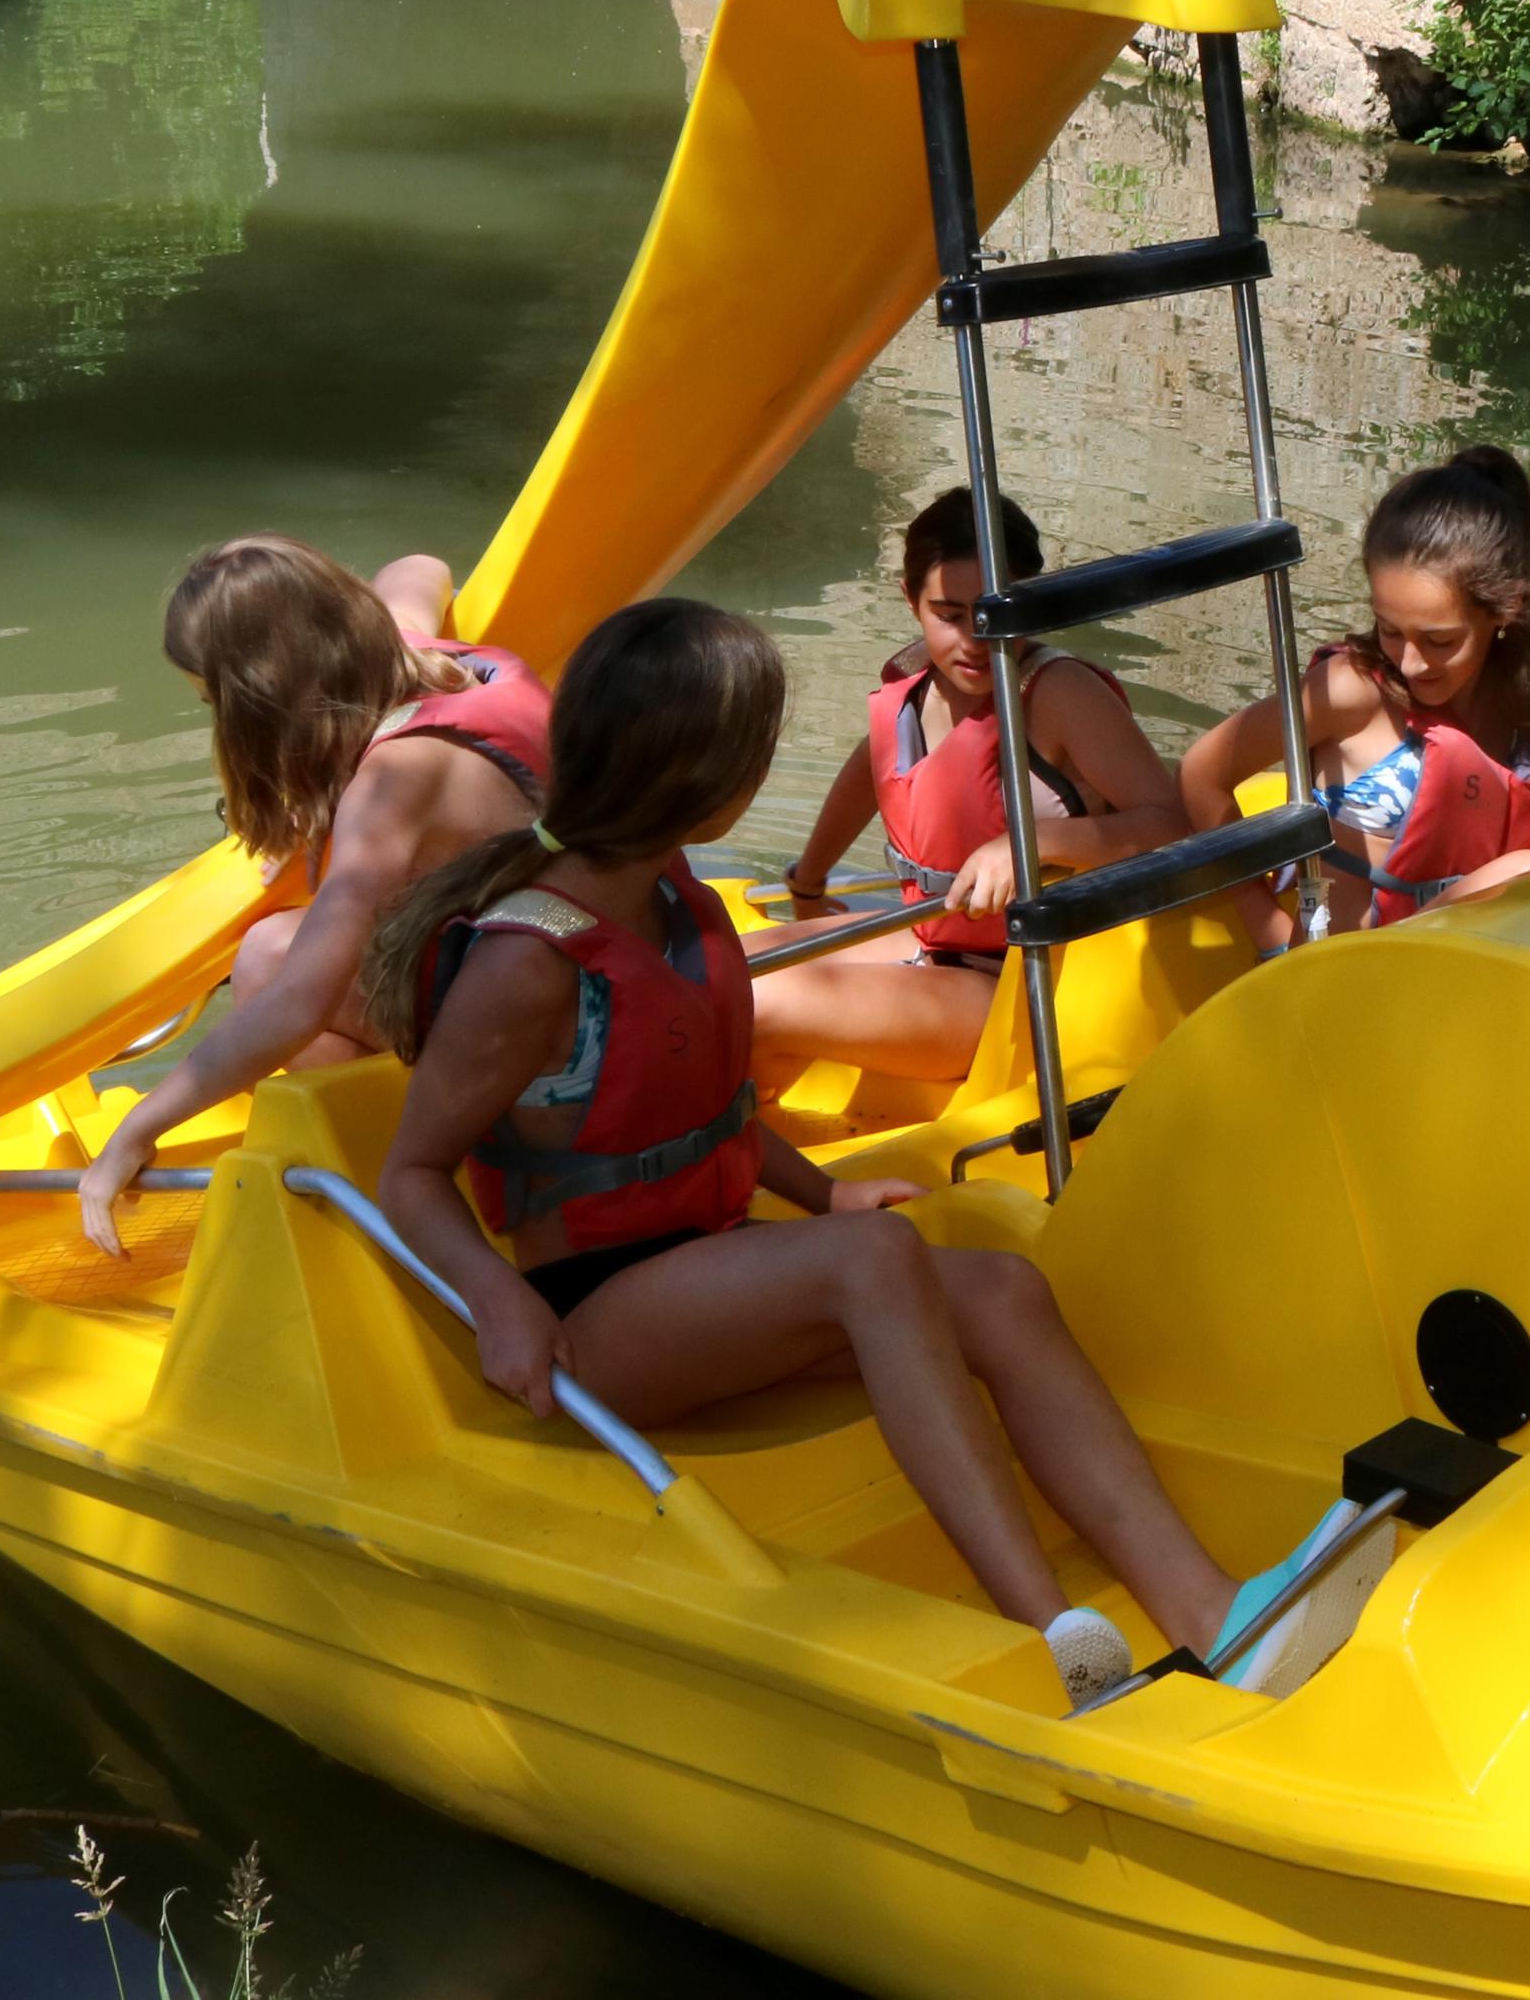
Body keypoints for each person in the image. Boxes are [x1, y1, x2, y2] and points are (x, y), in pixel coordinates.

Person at [359, 597, 1385, 1707]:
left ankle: (1216, 1617)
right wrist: (493, 1301)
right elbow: (410, 1172)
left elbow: (687, 1114)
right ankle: (1057, 1642)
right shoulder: (530, 960)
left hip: (703, 1266)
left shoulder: (667, 899)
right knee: (875, 1265)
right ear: (722, 780)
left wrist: (823, 1189)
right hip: (590, 1319)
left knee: (997, 1287)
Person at [77, 536, 549, 1254]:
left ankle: (420, 1190)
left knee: (269, 957)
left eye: (212, 701)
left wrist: (133, 1134)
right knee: (285, 945)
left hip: (554, 1047)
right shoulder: (413, 653)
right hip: (581, 968)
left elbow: (297, 1003)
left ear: (257, 701)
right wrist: (315, 804)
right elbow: (419, 567)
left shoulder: (393, 787)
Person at [757, 490, 1187, 1083]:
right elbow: (874, 768)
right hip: (931, 945)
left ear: (1031, 601)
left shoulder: (1058, 693)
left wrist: (1031, 842)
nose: (974, 641)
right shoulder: (916, 686)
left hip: (1018, 985)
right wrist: (808, 880)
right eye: (950, 615)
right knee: (721, 967)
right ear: (912, 601)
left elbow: (1170, 826)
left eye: (993, 615)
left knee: (750, 1002)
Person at [1179, 445, 1530, 939]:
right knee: (1524, 869)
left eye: (1440, 640)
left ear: (1506, 609)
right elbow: (1200, 775)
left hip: (1465, 954)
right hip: (1345, 965)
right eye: (1389, 628)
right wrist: (1267, 929)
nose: (1410, 662)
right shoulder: (1352, 691)